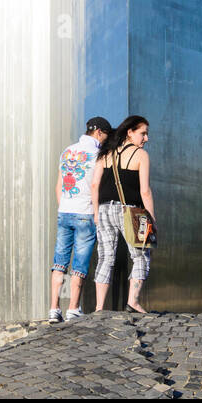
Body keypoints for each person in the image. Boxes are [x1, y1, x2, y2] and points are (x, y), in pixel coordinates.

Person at [49, 116, 112, 323]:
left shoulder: (67, 151)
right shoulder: (98, 154)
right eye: (106, 136)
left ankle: (54, 309)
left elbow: (58, 186)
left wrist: (64, 206)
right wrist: (95, 213)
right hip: (85, 213)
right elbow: (95, 186)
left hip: (65, 211)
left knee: (59, 263)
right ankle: (73, 308)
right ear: (99, 133)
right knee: (79, 264)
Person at [91, 116, 156, 313]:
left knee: (105, 257)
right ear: (130, 132)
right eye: (142, 133)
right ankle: (133, 302)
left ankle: (99, 307)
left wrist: (95, 212)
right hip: (130, 210)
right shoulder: (140, 155)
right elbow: (145, 191)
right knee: (141, 255)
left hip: (103, 209)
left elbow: (95, 185)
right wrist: (152, 217)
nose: (146, 138)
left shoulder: (106, 154)